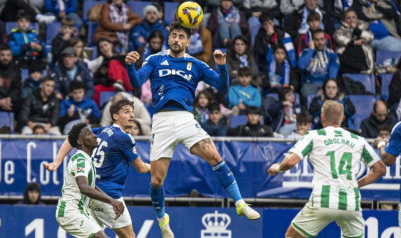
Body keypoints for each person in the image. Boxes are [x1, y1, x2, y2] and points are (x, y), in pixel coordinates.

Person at [125, 22, 260, 238]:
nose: (177, 39)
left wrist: (222, 66)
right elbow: (136, 82)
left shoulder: (195, 64)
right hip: (161, 121)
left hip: (186, 119)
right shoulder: (154, 59)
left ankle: (240, 202)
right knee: (156, 180)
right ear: (169, 38)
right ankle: (162, 221)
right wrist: (131, 66)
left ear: (188, 42)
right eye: (174, 36)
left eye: (182, 37)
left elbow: (222, 85)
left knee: (214, 156)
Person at [268, 100, 386, 238]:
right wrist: (357, 184)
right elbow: (380, 170)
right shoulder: (358, 140)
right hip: (350, 203)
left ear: (322, 117)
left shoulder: (313, 136)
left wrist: (278, 168)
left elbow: (291, 161)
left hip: (322, 201)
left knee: (291, 236)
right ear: (342, 118)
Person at [44, 101, 151, 237]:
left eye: (132, 111)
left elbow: (72, 137)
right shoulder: (124, 138)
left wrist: (57, 161)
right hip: (107, 193)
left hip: (94, 192)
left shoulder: (102, 131)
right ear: (115, 116)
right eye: (126, 111)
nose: (131, 115)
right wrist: (152, 167)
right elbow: (141, 168)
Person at [49, 123, 125, 238]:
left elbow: (91, 186)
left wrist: (111, 200)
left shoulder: (86, 159)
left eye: (93, 133)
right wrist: (111, 201)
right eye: (89, 134)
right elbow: (84, 187)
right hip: (70, 212)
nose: (94, 136)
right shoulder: (81, 160)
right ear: (80, 142)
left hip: (81, 211)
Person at [298, 29, 340, 97]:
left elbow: (332, 75)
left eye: (322, 39)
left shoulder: (332, 55)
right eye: (317, 40)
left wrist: (325, 88)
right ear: (312, 41)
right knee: (308, 95)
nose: (320, 42)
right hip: (309, 85)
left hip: (326, 84)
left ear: (325, 40)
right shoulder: (305, 52)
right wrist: (311, 50)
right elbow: (301, 66)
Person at [333, 8, 374, 74]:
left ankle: (360, 69)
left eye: (353, 17)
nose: (351, 20)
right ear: (345, 20)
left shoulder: (363, 25)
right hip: (347, 52)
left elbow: (370, 37)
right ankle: (358, 69)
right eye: (348, 18)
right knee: (339, 57)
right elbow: (337, 37)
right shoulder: (341, 28)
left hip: (362, 52)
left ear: (356, 18)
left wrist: (356, 29)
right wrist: (354, 42)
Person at [93, 38, 132, 105]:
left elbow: (130, 70)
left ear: (111, 45)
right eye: (101, 47)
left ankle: (119, 83)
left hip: (127, 84)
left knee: (113, 62)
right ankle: (96, 110)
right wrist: (101, 75)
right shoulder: (103, 62)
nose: (104, 48)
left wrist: (113, 57)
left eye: (105, 45)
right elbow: (94, 79)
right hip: (113, 86)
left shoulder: (122, 56)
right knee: (96, 89)